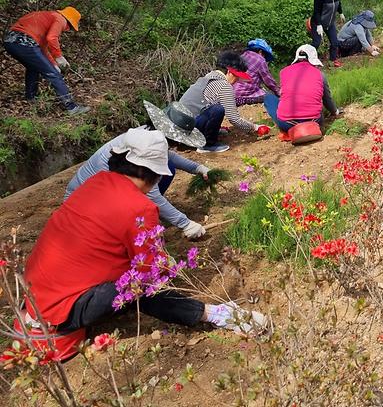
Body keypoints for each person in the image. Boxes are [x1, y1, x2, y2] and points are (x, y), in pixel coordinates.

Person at [22, 128, 266, 361]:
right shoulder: (140, 208)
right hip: (62, 311)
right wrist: (166, 264)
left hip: (35, 291)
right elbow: (150, 274)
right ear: (155, 175)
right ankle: (216, 315)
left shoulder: (94, 183)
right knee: (141, 287)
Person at [65, 101, 210, 239]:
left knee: (168, 168)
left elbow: (167, 156)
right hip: (83, 204)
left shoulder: (145, 134)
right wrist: (185, 224)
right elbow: (153, 196)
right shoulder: (142, 148)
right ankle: (139, 215)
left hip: (101, 195)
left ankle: (145, 212)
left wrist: (197, 168)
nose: (177, 145)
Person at [3, 6, 89, 115]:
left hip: (10, 41)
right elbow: (52, 38)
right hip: (25, 42)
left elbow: (42, 48)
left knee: (33, 68)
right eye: (70, 27)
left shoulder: (46, 16)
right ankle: (71, 107)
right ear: (69, 22)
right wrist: (58, 57)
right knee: (53, 74)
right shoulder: (60, 19)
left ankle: (31, 99)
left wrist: (53, 64)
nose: (67, 29)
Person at [179, 51, 270, 153]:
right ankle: (208, 145)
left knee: (213, 108)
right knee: (217, 110)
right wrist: (255, 127)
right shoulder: (224, 86)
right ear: (229, 72)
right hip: (188, 130)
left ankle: (206, 134)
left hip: (179, 126)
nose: (237, 80)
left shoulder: (208, 78)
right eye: (236, 76)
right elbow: (234, 119)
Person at [263, 45, 341, 134]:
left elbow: (283, 94)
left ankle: (286, 131)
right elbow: (327, 99)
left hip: (287, 124)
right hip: (315, 121)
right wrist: (335, 112)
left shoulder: (284, 72)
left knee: (268, 97)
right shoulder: (319, 74)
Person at [311, 0, 346, 67]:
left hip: (330, 23)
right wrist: (319, 25)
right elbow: (316, 12)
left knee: (335, 43)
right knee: (316, 43)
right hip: (317, 22)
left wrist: (341, 13)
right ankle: (309, 61)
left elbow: (338, 3)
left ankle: (333, 60)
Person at [235, 39, 280, 106]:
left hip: (232, 94)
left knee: (261, 89)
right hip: (242, 97)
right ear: (260, 51)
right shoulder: (260, 60)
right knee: (268, 97)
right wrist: (279, 93)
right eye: (264, 55)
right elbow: (269, 81)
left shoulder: (242, 56)